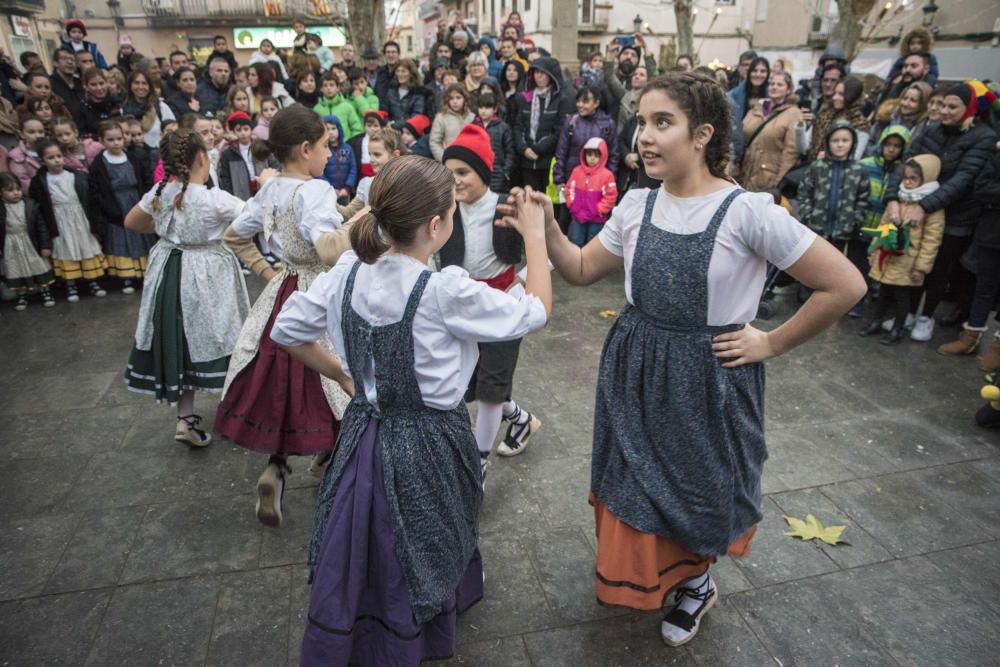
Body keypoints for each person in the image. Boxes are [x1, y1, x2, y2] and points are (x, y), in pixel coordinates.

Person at [501, 71, 865, 648]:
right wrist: (546, 224)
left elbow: (844, 285)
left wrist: (769, 341)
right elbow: (578, 269)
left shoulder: (749, 213)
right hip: (636, 366)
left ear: (702, 135)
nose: (643, 136)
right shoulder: (636, 206)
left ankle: (698, 581)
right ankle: (664, 575)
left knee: (701, 485)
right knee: (635, 483)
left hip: (709, 377)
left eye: (661, 122)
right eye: (641, 122)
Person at [278, 154, 550, 665]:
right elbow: (533, 312)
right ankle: (417, 628)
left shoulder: (347, 273)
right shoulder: (445, 290)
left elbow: (287, 331)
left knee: (370, 534)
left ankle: (366, 623)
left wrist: (340, 372)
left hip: (364, 433)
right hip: (432, 440)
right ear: (436, 224)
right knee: (433, 531)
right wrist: (535, 238)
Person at [217, 105, 353, 527]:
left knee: (286, 380)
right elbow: (330, 248)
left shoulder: (271, 190)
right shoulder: (315, 191)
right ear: (305, 147)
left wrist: (268, 271)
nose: (330, 155)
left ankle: (276, 467)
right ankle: (337, 468)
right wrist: (370, 218)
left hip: (285, 287)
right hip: (319, 289)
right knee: (334, 377)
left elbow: (234, 235)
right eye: (326, 146)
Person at [121, 127, 251, 445]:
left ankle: (185, 418)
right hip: (207, 274)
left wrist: (167, 226)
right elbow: (252, 219)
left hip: (167, 271)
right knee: (223, 336)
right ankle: (238, 413)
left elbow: (131, 223)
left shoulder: (160, 192)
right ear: (201, 158)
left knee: (181, 342)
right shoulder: (213, 199)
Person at [441, 124, 543, 474]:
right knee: (474, 379)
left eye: (463, 172)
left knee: (491, 387)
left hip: (503, 305)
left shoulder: (508, 205)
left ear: (483, 172)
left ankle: (477, 465)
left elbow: (544, 254)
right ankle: (521, 419)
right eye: (449, 172)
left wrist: (524, 279)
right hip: (464, 306)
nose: (455, 180)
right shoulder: (445, 211)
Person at [882, 81, 998, 341]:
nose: (944, 111)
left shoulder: (984, 137)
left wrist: (925, 206)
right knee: (913, 261)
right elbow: (905, 164)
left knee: (938, 268)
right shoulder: (930, 130)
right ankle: (909, 312)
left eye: (952, 107)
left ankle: (927, 316)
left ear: (969, 109)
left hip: (956, 215)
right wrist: (892, 198)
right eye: (942, 104)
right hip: (915, 209)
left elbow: (964, 180)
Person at [860, 155, 944, 345]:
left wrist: (921, 267)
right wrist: (874, 250)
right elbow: (882, 227)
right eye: (905, 177)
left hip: (908, 261)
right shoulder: (897, 200)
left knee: (901, 296)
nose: (907, 182)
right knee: (883, 292)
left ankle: (898, 328)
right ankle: (876, 321)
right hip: (887, 257)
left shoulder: (931, 208)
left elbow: (932, 240)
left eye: (913, 178)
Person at [796, 119, 871, 315]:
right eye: (835, 140)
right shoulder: (817, 167)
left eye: (845, 140)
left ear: (852, 143)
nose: (840, 144)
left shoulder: (859, 170)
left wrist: (855, 220)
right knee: (812, 262)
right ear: (828, 142)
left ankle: (835, 299)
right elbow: (804, 192)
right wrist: (807, 213)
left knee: (839, 264)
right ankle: (807, 295)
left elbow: (863, 198)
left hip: (844, 229)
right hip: (817, 226)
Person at [28, 138, 108, 301]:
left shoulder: (76, 175)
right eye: (50, 157)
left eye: (59, 156)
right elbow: (40, 207)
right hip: (59, 220)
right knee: (66, 249)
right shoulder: (39, 181)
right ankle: (71, 285)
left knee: (85, 247)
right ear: (42, 160)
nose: (56, 160)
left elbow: (88, 199)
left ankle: (92, 282)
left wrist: (93, 224)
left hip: (79, 217)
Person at [942, 149, 1000, 368]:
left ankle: (998, 348)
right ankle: (970, 338)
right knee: (983, 289)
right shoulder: (997, 155)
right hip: (992, 234)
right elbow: (982, 189)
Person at [87, 119, 156, 293]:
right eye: (110, 140)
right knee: (121, 241)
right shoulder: (99, 163)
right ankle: (127, 277)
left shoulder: (133, 157)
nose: (116, 143)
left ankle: (146, 274)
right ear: (101, 141)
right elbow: (97, 190)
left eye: (119, 138)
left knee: (142, 238)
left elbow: (144, 180)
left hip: (135, 201)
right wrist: (108, 208)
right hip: (116, 205)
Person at [511, 57, 574, 191]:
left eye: (542, 73)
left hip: (547, 162)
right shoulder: (525, 98)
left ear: (551, 76)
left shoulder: (560, 100)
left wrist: (538, 149)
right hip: (527, 162)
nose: (538, 76)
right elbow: (518, 127)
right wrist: (524, 149)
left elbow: (559, 131)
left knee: (547, 204)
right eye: (536, 72)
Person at [739, 71, 804, 192]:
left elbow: (790, 153)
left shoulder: (793, 114)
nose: (774, 87)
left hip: (769, 178)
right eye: (772, 84)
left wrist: (779, 183)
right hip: (746, 174)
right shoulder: (758, 108)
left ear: (788, 90)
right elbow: (743, 133)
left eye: (780, 85)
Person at [0, 172, 56, 310]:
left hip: (31, 242)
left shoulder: (30, 205)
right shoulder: (1, 209)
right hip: (11, 244)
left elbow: (41, 227)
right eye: (10, 190)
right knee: (16, 268)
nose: (16, 193)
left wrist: (45, 245)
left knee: (38, 265)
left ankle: (45, 292)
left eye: (18, 189)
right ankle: (22, 295)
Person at [553, 85, 620, 194]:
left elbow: (613, 156)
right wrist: (558, 179)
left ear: (596, 103)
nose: (580, 105)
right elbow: (561, 152)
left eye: (585, 101)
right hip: (572, 182)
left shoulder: (607, 124)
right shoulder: (571, 122)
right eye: (578, 101)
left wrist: (610, 181)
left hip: (598, 184)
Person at [338, 126, 407, 220]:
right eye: (370, 154)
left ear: (395, 155)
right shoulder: (367, 184)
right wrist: (327, 200)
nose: (371, 160)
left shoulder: (408, 183)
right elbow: (349, 213)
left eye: (377, 155)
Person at [565, 137, 617, 247]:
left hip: (596, 219)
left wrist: (599, 210)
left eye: (596, 155)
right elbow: (569, 188)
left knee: (592, 244)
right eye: (589, 155)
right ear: (584, 155)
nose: (592, 158)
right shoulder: (577, 171)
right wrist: (572, 204)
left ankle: (590, 264)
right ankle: (577, 263)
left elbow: (611, 195)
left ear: (602, 156)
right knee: (576, 242)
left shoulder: (607, 175)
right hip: (578, 216)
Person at [218, 111, 279, 200]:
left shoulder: (261, 147)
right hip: (241, 195)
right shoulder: (228, 154)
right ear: (234, 132)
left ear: (251, 129)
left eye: (246, 129)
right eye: (238, 130)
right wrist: (231, 197)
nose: (243, 133)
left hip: (264, 189)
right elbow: (226, 179)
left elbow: (275, 166)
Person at [123, 69, 175, 154]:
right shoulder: (123, 109)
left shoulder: (161, 107)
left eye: (144, 83)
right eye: (136, 83)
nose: (140, 87)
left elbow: (173, 131)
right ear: (130, 85)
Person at [472, 93, 513, 193]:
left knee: (496, 204)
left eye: (487, 107)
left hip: (498, 174)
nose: (483, 111)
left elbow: (510, 152)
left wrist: (505, 173)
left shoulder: (503, 127)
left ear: (495, 109)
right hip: (477, 173)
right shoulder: (472, 126)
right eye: (481, 107)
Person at [429, 83, 474, 161]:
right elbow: (434, 142)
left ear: (465, 99)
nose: (455, 101)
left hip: (469, 162)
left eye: (458, 98)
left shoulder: (472, 117)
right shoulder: (441, 117)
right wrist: (444, 159)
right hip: (448, 162)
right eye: (451, 98)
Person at [320, 114, 357, 202]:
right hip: (327, 192)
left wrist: (347, 187)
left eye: (333, 128)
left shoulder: (347, 148)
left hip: (345, 192)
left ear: (339, 129)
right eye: (327, 129)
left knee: (346, 213)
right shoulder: (321, 150)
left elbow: (353, 169)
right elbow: (319, 171)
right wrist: (329, 187)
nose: (331, 132)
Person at [314, 72, 362, 140]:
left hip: (345, 146)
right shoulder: (317, 109)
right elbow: (314, 131)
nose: (328, 88)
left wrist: (350, 144)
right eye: (325, 85)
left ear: (338, 88)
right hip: (325, 147)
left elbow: (357, 128)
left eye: (331, 85)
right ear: (321, 89)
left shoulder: (347, 106)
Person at [49, 47, 87, 130]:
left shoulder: (80, 83)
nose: (70, 62)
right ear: (55, 63)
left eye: (72, 60)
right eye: (64, 59)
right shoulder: (49, 83)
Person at [385, 58, 429, 128]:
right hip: (391, 133)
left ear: (411, 73)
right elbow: (385, 111)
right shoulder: (391, 92)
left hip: (409, 133)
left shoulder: (418, 93)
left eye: (403, 71)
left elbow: (416, 117)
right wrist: (387, 123)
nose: (400, 74)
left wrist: (395, 125)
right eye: (398, 71)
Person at [79, 68, 121, 139]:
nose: (99, 88)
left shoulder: (116, 102)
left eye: (101, 83)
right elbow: (82, 135)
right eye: (93, 84)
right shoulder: (81, 108)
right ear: (86, 86)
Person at [8, 115, 47, 191]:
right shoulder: (17, 156)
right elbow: (23, 182)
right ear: (21, 134)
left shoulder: (50, 150)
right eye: (31, 132)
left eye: (41, 132)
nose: (37, 135)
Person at [348, 109, 389, 179]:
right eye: (369, 126)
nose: (372, 128)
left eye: (375, 126)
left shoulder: (387, 140)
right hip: (362, 175)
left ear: (381, 127)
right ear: (364, 126)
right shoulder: (356, 141)